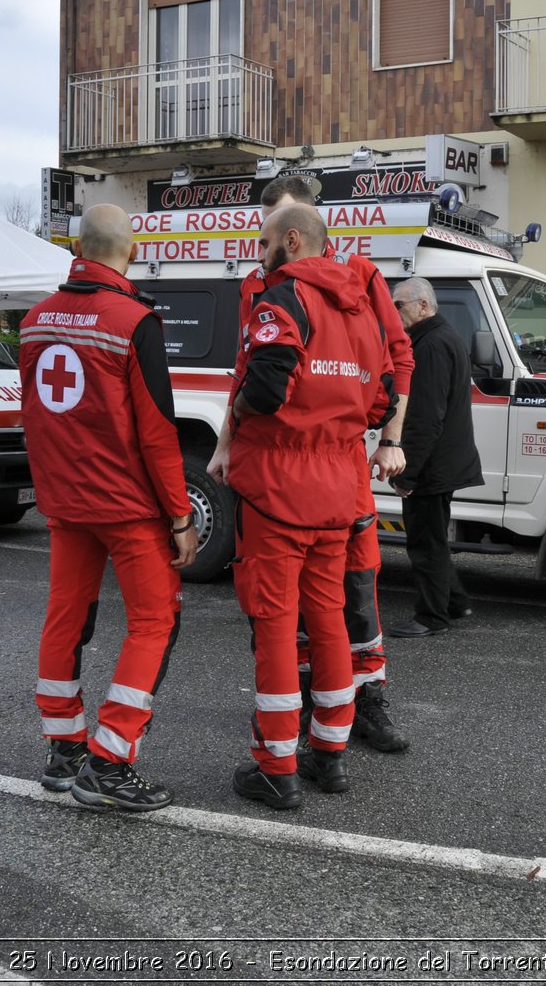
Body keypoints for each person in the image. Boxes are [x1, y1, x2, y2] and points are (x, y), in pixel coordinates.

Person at [208, 174, 414, 754]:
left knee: (354, 585)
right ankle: (312, 717)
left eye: (278, 228)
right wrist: (227, 442)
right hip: (289, 456)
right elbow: (246, 367)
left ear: (300, 231)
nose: (267, 240)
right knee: (294, 601)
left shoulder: (361, 275)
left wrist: (391, 439)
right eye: (265, 222)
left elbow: (396, 359)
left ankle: (363, 704)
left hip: (337, 457)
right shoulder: (260, 285)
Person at [19, 202, 198, 813]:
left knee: (65, 615)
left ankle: (64, 747)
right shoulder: (134, 320)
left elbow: (37, 416)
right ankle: (111, 759)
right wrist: (179, 515)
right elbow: (157, 430)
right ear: (131, 248)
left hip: (65, 500)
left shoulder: (35, 320)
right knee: (155, 621)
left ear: (78, 247)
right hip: (125, 505)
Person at [227, 202, 388, 809]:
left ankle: (275, 765)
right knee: (327, 621)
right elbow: (381, 398)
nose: (259, 250)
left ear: (291, 241)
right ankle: (331, 753)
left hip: (277, 488)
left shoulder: (283, 301)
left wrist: (239, 410)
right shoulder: (363, 310)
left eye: (265, 240)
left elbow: (266, 388)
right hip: (336, 490)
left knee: (274, 625)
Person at [386, 278, 482, 637]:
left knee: (425, 543)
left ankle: (431, 617)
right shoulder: (442, 337)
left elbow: (425, 418)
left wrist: (406, 474)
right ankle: (455, 602)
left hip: (431, 465)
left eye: (400, 306)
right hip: (442, 461)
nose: (394, 312)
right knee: (434, 538)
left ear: (423, 307)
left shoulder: (429, 346)